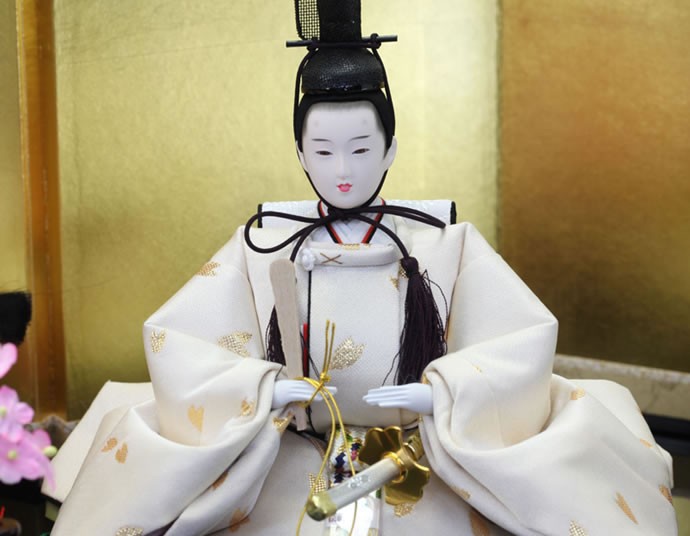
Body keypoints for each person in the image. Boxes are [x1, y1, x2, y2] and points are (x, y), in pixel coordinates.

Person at [47, 2, 677, 534]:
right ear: (300, 152)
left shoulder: (440, 242)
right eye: (323, 151)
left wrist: (444, 394)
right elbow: (184, 345)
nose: (343, 170)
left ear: (391, 148)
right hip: (284, 452)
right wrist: (262, 390)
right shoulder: (265, 242)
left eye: (361, 148)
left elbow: (518, 341)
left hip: (421, 452)